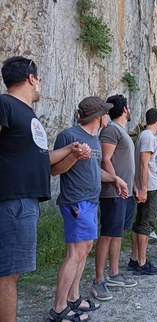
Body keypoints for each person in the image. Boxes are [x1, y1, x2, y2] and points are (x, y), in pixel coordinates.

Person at [0, 56, 92, 322]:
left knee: (10, 273)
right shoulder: (5, 104)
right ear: (31, 78)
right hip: (12, 199)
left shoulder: (28, 115)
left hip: (25, 201)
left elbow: (42, 159)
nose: (40, 83)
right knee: (8, 274)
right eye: (39, 78)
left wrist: (71, 152)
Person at [49, 96, 129, 321]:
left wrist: (114, 179)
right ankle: (59, 308)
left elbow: (95, 171)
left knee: (84, 251)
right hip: (76, 202)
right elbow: (55, 170)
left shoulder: (94, 139)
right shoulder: (69, 136)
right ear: (98, 116)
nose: (107, 116)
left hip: (90, 202)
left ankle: (73, 298)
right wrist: (74, 156)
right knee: (75, 254)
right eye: (105, 112)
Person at [92, 94, 137, 302]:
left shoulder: (120, 131)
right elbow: (105, 159)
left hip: (123, 191)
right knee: (108, 233)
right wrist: (116, 182)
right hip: (112, 192)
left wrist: (132, 186)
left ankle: (114, 273)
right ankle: (99, 279)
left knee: (117, 233)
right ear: (125, 109)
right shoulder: (110, 129)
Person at [126, 108, 157, 275]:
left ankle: (135, 259)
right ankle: (142, 262)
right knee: (146, 224)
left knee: (140, 223)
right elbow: (143, 164)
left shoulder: (145, 136)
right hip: (150, 187)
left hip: (148, 185)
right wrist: (143, 188)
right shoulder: (148, 137)